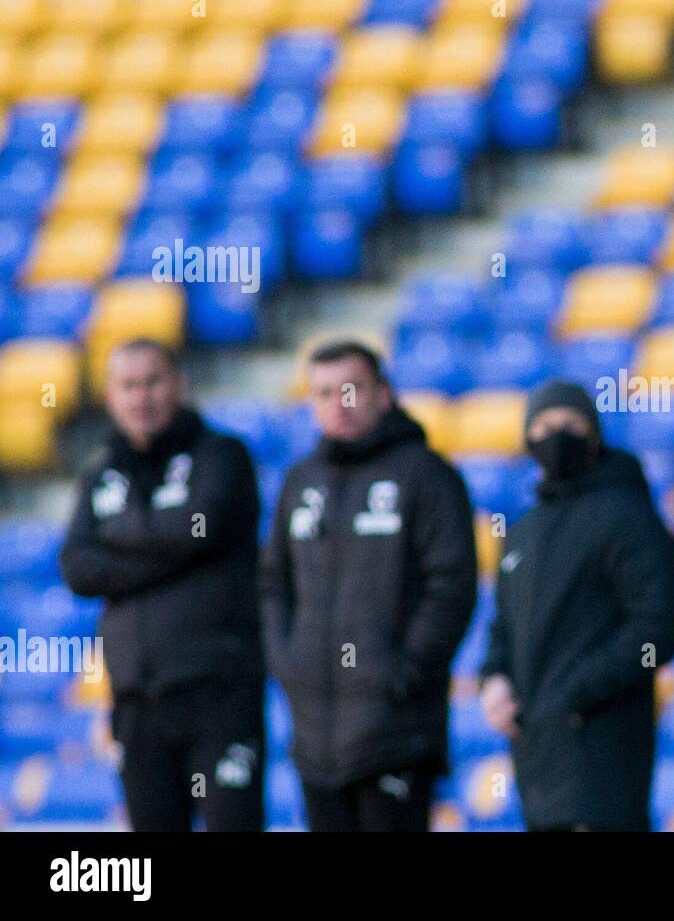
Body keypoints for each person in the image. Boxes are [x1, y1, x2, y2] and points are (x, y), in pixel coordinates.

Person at [261, 340, 477, 831]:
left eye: (351, 390)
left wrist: (404, 670)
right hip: (315, 734)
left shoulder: (426, 476)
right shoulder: (300, 481)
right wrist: (287, 661)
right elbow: (274, 581)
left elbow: (452, 586)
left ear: (383, 394)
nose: (338, 404)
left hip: (396, 733)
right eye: (323, 393)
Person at [59, 338, 264, 831]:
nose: (141, 397)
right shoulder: (101, 473)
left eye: (153, 382)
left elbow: (201, 526)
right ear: (110, 397)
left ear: (179, 385)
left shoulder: (223, 456)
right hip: (137, 703)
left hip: (218, 697)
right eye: (128, 386)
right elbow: (78, 568)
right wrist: (172, 550)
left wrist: (120, 536)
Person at [479, 381, 674, 831]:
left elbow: (660, 624)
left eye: (570, 425)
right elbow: (504, 625)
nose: (556, 436)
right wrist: (494, 677)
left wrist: (575, 692)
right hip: (537, 752)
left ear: (594, 435)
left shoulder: (628, 516)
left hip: (604, 745)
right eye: (544, 425)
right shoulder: (523, 531)